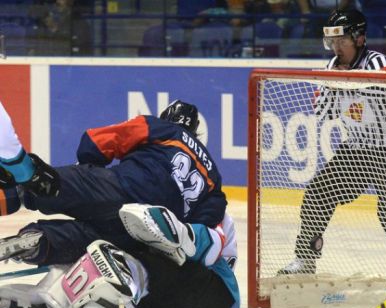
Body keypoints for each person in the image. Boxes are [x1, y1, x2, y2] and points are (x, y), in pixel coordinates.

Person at [278, 8, 386, 275]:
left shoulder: (379, 63)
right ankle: (305, 260)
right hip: (356, 149)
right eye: (332, 42)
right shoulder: (332, 66)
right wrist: (332, 84)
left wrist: (348, 82)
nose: (336, 48)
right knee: (317, 194)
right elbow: (323, 113)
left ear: (359, 39)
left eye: (342, 41)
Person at [0, 99, 227, 267]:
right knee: (92, 241)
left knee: (37, 185)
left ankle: (17, 200)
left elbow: (96, 141)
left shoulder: (163, 128)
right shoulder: (214, 183)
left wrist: (85, 173)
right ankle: (42, 242)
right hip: (144, 231)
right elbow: (197, 232)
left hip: (118, 187)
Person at [0, 203, 239, 308]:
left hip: (212, 302)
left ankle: (117, 280)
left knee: (119, 258)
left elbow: (217, 258)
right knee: (91, 258)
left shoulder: (209, 207)